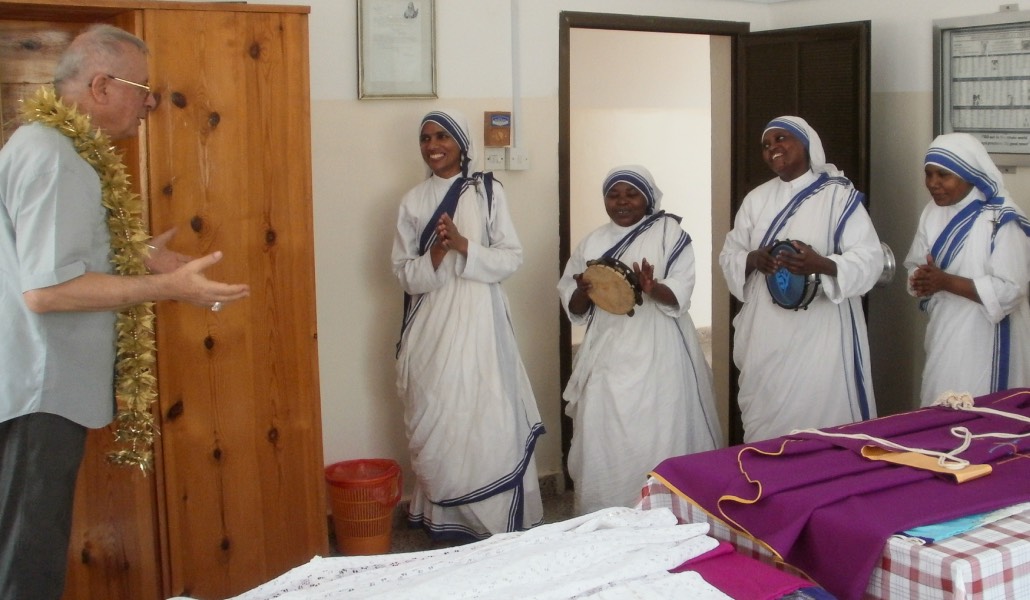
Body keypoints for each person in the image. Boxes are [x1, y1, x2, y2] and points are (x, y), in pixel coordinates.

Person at [0, 24, 250, 600]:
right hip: (38, 389)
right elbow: (47, 290)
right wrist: (167, 289)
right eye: (145, 89)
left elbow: (49, 254)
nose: (150, 105)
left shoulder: (49, 145)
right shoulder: (55, 157)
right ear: (103, 84)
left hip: (37, 385)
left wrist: (142, 255)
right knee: (25, 559)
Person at [391, 109, 544, 541]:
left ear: (461, 144)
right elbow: (404, 274)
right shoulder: (412, 201)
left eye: (442, 136)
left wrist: (463, 246)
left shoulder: (488, 193)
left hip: (480, 322)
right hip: (430, 329)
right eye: (425, 138)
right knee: (439, 413)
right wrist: (438, 255)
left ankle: (492, 523)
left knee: (485, 413)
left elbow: (511, 257)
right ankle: (448, 521)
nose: (432, 145)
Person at [559, 165, 723, 514]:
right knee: (605, 428)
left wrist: (652, 288)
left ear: (647, 198)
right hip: (607, 348)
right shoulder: (592, 241)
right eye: (613, 194)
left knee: (660, 426)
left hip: (659, 346)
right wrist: (584, 291)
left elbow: (681, 289)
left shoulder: (669, 232)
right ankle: (606, 510)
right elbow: (572, 303)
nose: (621, 202)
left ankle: (663, 513)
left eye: (631, 194)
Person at [719, 116, 882, 443]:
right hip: (767, 332)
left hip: (820, 335)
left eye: (782, 139)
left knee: (821, 419)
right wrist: (752, 259)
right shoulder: (756, 199)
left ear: (806, 144)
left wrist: (821, 264)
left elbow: (870, 258)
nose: (773, 149)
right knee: (769, 426)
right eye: (766, 145)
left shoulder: (838, 196)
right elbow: (729, 254)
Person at [905, 133, 1030, 406]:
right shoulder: (932, 213)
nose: (933, 184)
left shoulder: (1001, 219)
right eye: (929, 174)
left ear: (968, 174)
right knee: (939, 403)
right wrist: (920, 280)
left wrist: (945, 281)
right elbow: (916, 264)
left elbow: (1012, 289)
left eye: (943, 175)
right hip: (944, 332)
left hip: (988, 338)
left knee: (984, 414)